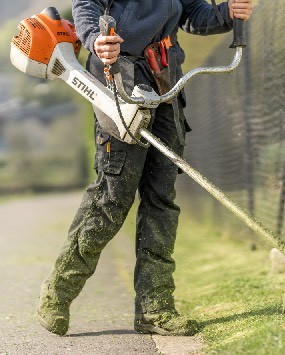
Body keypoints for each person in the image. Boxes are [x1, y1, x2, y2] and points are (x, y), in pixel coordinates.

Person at [37, 0, 253, 336]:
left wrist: (226, 13)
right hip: (117, 86)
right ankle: (58, 291)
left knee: (161, 201)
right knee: (112, 199)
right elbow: (86, 7)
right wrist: (96, 38)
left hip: (166, 85)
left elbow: (194, 14)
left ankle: (156, 309)